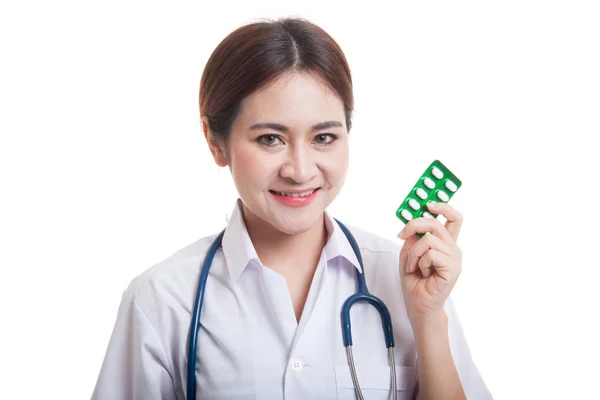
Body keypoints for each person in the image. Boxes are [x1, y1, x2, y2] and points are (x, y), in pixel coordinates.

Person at [92, 17, 492, 400]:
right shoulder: (162, 300)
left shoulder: (409, 279)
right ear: (216, 143)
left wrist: (428, 319)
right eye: (270, 139)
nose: (301, 171)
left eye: (323, 137)